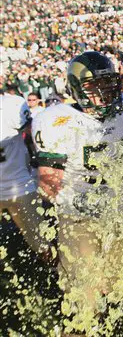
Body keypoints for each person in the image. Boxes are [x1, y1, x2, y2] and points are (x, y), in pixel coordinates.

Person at [31, 51, 123, 317]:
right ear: (76, 89)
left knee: (119, 289)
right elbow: (49, 184)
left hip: (121, 212)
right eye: (94, 86)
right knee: (83, 299)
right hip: (79, 213)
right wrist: (57, 221)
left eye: (108, 84)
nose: (104, 92)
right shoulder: (55, 121)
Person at [0, 89, 53, 263]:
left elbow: (31, 134)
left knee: (43, 244)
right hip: (21, 184)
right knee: (41, 243)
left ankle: (56, 275)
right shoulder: (11, 105)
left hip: (21, 184)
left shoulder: (11, 104)